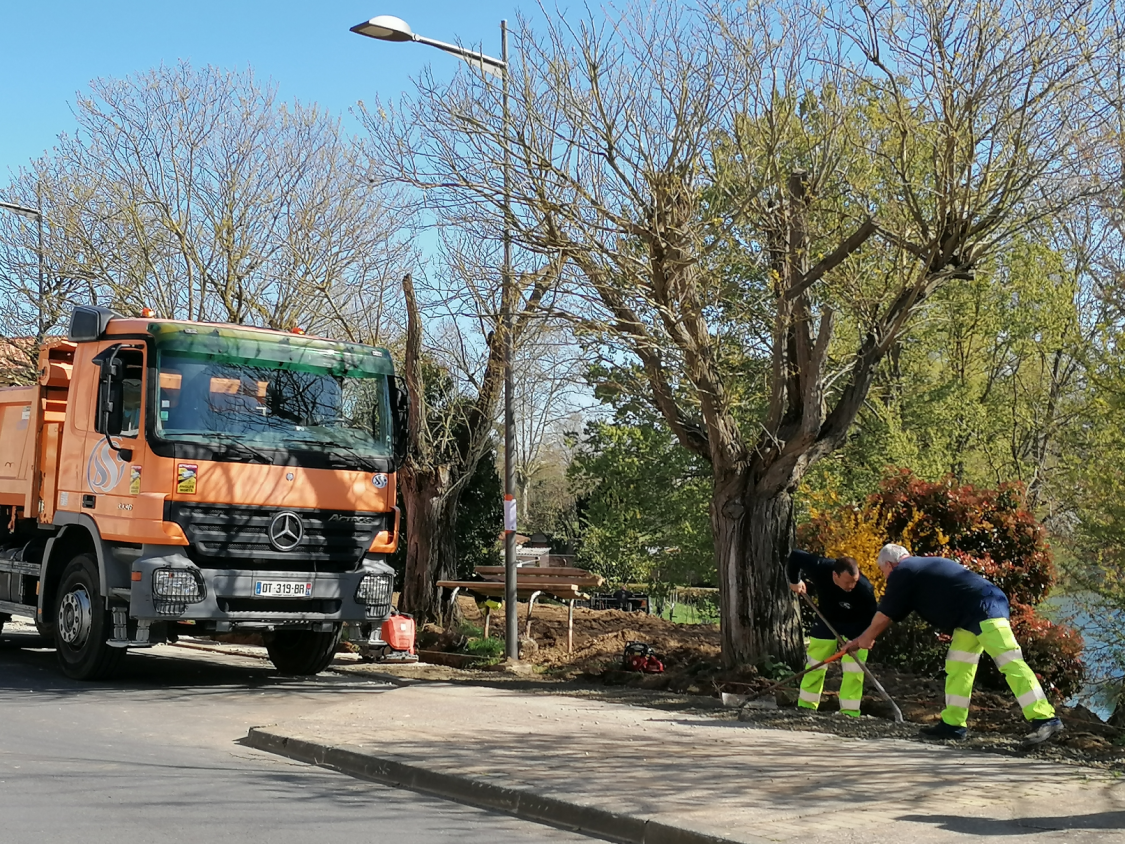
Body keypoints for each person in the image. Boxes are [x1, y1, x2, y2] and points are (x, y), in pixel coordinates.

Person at [845, 543, 1064, 745]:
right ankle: (953, 724)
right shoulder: (919, 568)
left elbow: (885, 615)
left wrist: (865, 638)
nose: (885, 577)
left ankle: (1044, 718)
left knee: (1010, 661)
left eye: (883, 571)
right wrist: (864, 637)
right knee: (958, 665)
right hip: (970, 616)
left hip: (986, 608)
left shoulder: (903, 571)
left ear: (890, 565)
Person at [787, 550, 877, 717]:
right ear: (835, 575)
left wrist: (865, 638)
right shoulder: (820, 567)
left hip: (856, 625)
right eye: (847, 582)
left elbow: (873, 619)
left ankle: (849, 712)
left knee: (854, 668)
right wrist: (795, 580)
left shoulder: (864, 589)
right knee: (815, 662)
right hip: (826, 619)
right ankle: (806, 706)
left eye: (854, 582)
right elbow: (796, 557)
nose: (851, 586)